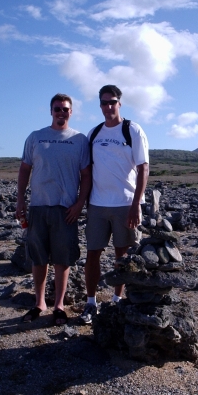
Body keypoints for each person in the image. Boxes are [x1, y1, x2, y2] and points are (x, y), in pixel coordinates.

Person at [16, 94, 91, 326]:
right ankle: (39, 303)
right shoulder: (36, 137)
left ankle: (59, 304)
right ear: (51, 111)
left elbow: (86, 175)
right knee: (38, 258)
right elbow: (24, 170)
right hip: (38, 206)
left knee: (63, 258)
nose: (61, 112)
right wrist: (20, 200)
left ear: (71, 112)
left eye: (65, 109)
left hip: (65, 209)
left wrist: (79, 204)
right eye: (57, 108)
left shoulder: (79, 139)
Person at [79, 85, 149, 324]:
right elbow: (86, 170)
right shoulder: (94, 133)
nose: (108, 107)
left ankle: (117, 300)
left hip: (125, 203)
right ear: (99, 105)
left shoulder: (132, 130)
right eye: (104, 103)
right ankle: (91, 303)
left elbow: (143, 168)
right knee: (92, 255)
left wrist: (136, 204)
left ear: (120, 103)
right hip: (97, 205)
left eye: (113, 102)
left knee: (122, 254)